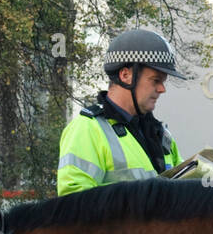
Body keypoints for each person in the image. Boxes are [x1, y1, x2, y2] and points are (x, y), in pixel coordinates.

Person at [57, 28, 185, 193]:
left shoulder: (161, 134)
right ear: (125, 75)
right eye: (155, 80)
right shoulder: (87, 130)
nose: (162, 89)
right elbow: (74, 206)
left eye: (163, 82)